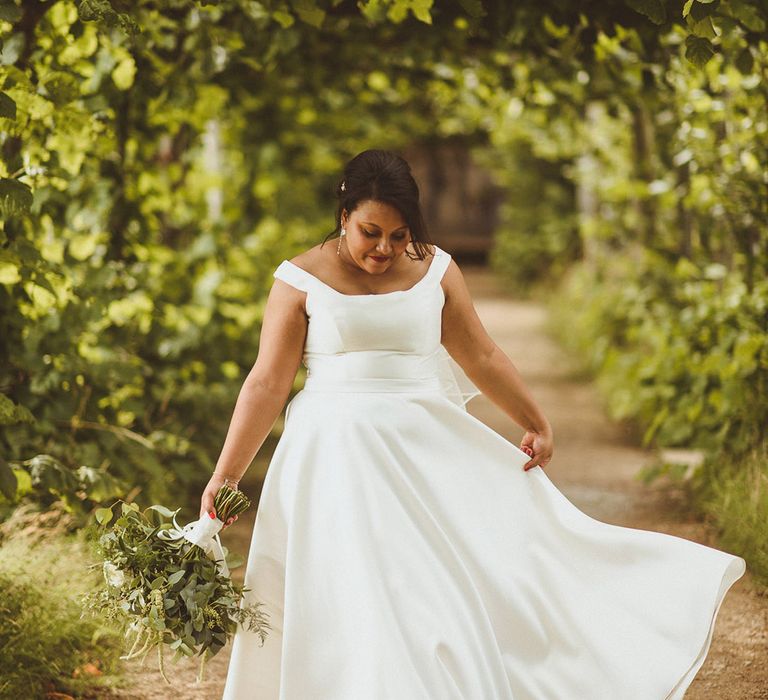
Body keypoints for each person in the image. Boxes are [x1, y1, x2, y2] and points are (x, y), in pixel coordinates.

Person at [203, 149, 746, 699]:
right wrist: (225, 477)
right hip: (330, 461)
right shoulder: (299, 278)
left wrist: (534, 420)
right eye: (371, 232)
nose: (385, 249)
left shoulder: (436, 269)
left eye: (398, 234)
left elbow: (480, 355)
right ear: (343, 216)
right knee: (346, 593)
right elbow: (267, 383)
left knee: (433, 592)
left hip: (422, 452)